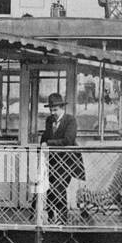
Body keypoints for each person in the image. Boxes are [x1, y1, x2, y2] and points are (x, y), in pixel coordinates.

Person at [39, 92, 85, 223]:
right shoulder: (49, 120)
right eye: (51, 110)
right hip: (52, 160)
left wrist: (48, 143)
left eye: (55, 110)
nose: (53, 112)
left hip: (67, 161)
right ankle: (52, 217)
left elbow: (68, 140)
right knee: (50, 187)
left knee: (59, 187)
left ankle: (62, 218)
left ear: (62, 108)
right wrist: (41, 145)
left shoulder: (70, 120)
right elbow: (46, 136)